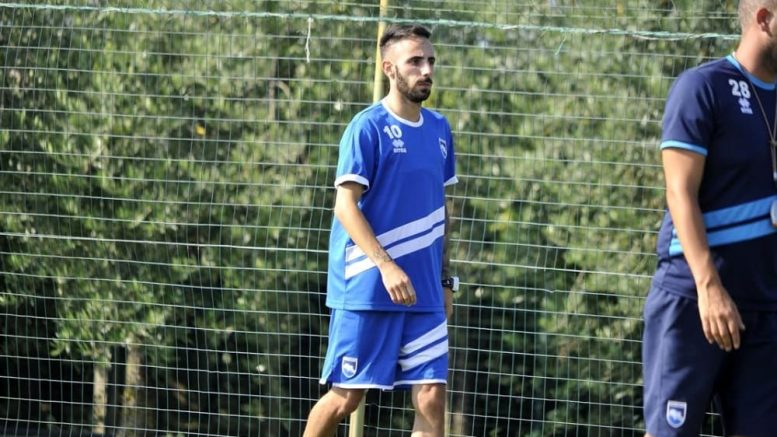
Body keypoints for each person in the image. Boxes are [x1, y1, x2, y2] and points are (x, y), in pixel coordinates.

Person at [303, 24, 458, 437]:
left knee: (431, 397)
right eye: (415, 62)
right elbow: (345, 207)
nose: (427, 70)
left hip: (424, 291)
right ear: (389, 68)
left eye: (431, 61)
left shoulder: (440, 129)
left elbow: (441, 210)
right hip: (368, 286)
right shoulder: (366, 127)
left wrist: (445, 279)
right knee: (346, 398)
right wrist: (386, 266)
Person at [642, 1, 777, 436]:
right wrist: (709, 288)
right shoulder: (703, 87)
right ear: (764, 19)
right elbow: (679, 192)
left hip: (764, 310)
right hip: (693, 300)